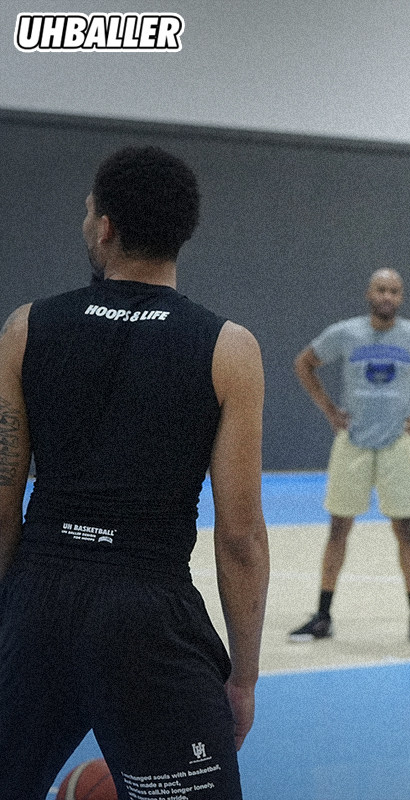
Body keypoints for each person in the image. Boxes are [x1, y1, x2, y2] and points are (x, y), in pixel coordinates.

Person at [0, 146, 270, 800]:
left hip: (37, 600)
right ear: (183, 234)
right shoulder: (229, 348)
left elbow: (2, 509)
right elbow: (240, 537)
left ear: (105, 227)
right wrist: (243, 677)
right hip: (146, 614)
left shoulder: (25, 329)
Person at [289, 268, 410, 646]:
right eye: (381, 289)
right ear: (369, 293)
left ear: (401, 297)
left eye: (394, 291)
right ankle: (322, 616)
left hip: (397, 444)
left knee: (405, 530)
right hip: (354, 442)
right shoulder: (346, 333)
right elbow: (304, 363)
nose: (387, 296)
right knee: (338, 528)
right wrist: (329, 410)